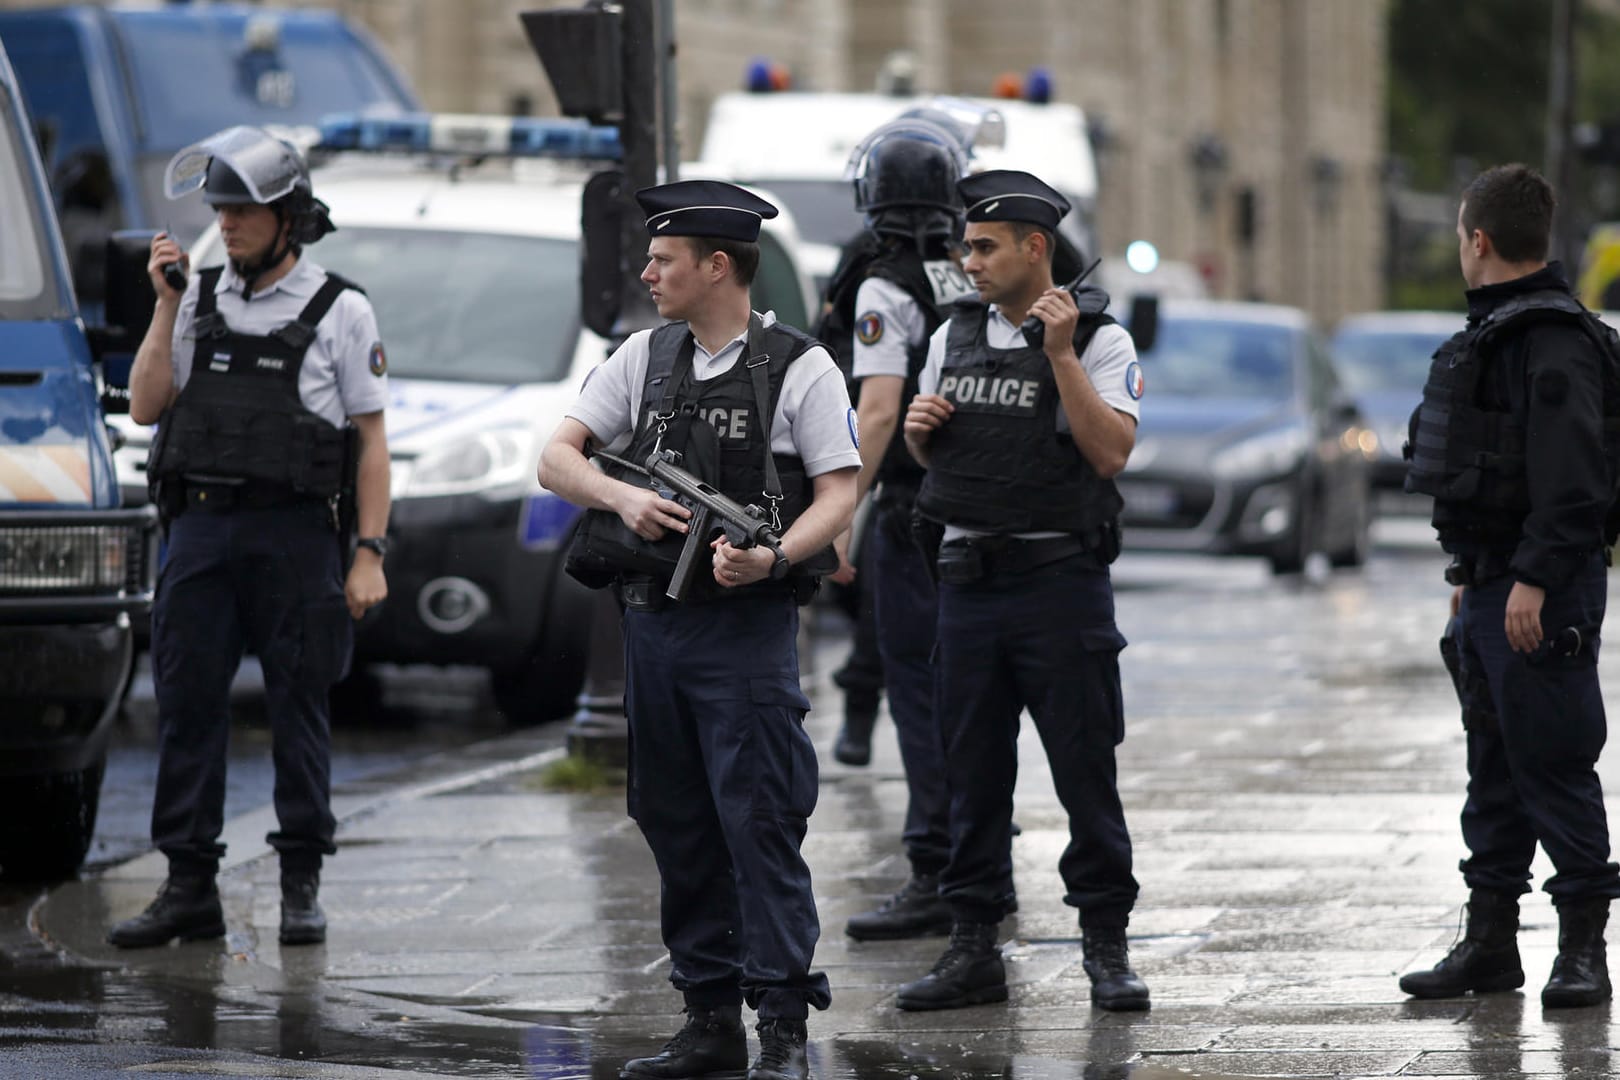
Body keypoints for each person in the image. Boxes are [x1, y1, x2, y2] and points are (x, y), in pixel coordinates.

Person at [538, 179, 859, 1080]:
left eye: (665, 260)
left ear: (718, 266)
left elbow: (840, 490)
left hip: (745, 633)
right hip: (654, 630)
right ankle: (707, 1017)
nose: (648, 272)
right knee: (673, 821)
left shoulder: (802, 366)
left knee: (758, 820)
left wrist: (776, 557)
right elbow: (556, 459)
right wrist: (623, 496)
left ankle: (784, 1028)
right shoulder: (643, 357)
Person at [107, 127, 391, 949]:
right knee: (186, 707)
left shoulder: (341, 308)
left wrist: (369, 553)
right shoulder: (195, 299)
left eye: (243, 211)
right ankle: (189, 885)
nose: (226, 224)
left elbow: (370, 443)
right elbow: (147, 406)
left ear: (288, 219)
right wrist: (166, 305)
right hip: (199, 529)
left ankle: (300, 882)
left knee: (300, 704)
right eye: (220, 209)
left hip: (296, 536)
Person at [897, 169, 1149, 1013]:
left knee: (1085, 772)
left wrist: (1062, 354)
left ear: (1034, 250)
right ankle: (973, 947)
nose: (967, 262)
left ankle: (1105, 949)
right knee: (970, 776)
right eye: (966, 246)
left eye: (984, 247)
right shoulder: (952, 334)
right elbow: (951, 465)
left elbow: (1111, 452)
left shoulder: (1101, 338)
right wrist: (919, 437)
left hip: (1058, 587)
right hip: (968, 586)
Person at [1401, 163, 1620, 1009]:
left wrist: (1529, 579)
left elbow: (1572, 485)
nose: (1460, 248)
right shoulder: (1503, 333)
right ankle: (1490, 943)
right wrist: (1473, 579)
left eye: (1461, 236)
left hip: (1541, 591)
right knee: (1492, 766)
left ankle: (1583, 953)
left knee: (1555, 763)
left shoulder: (1552, 341)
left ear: (1479, 241)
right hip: (1493, 587)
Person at [818, 117, 978, 941]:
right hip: (981, 512)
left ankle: (936, 874)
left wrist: (839, 510)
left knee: (919, 694)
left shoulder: (881, 285)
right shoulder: (974, 270)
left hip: (916, 515)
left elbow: (876, 407)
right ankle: (981, 870)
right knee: (973, 700)